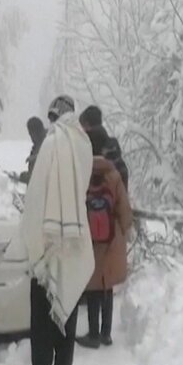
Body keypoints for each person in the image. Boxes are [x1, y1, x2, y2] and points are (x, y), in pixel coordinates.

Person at [11, 95, 95, 365]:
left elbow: (39, 192)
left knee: (43, 312)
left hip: (50, 238)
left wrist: (33, 228)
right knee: (68, 303)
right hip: (76, 235)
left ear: (54, 115)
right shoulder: (83, 142)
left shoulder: (54, 142)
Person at [76, 127, 133, 349]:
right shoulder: (114, 175)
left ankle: (92, 333)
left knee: (92, 288)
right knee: (106, 285)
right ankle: (105, 333)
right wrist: (122, 230)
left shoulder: (83, 174)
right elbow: (125, 212)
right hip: (111, 239)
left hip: (89, 239)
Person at [79, 106, 129, 189]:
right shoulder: (113, 147)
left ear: (87, 125)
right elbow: (123, 176)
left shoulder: (84, 146)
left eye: (82, 127)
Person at [19, 116, 46, 184]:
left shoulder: (47, 144)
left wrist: (28, 177)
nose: (31, 137)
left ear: (36, 132)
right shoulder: (37, 145)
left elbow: (44, 176)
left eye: (31, 134)